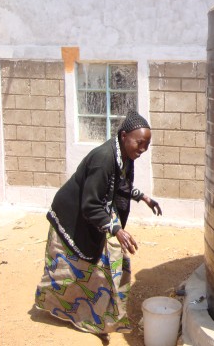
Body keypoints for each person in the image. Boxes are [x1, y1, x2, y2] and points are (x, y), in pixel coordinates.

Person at [34, 110, 162, 343]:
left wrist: (143, 197)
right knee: (70, 270)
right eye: (140, 143)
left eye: (147, 144)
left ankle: (99, 316)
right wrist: (116, 230)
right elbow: (90, 203)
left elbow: (119, 186)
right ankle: (77, 312)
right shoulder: (104, 158)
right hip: (70, 218)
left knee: (105, 266)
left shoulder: (123, 155)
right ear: (124, 136)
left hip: (91, 216)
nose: (143, 149)